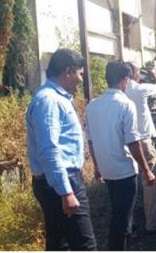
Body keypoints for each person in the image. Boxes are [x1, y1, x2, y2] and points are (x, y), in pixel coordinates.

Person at [26, 48, 97, 251]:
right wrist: (66, 192)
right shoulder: (49, 100)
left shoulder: (56, 98)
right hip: (61, 183)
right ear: (68, 71)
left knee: (59, 243)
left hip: (57, 182)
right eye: (80, 74)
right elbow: (49, 149)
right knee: (85, 246)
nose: (81, 79)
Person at [85, 61, 156, 250]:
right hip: (124, 171)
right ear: (125, 80)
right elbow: (133, 142)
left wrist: (97, 167)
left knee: (118, 213)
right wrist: (146, 170)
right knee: (123, 220)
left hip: (108, 170)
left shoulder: (93, 106)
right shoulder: (126, 104)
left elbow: (91, 140)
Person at [125, 62, 156, 233]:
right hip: (143, 141)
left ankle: (130, 223)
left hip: (126, 144)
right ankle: (153, 222)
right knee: (148, 181)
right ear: (133, 74)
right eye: (137, 71)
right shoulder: (139, 89)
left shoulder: (120, 90)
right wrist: (153, 73)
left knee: (129, 183)